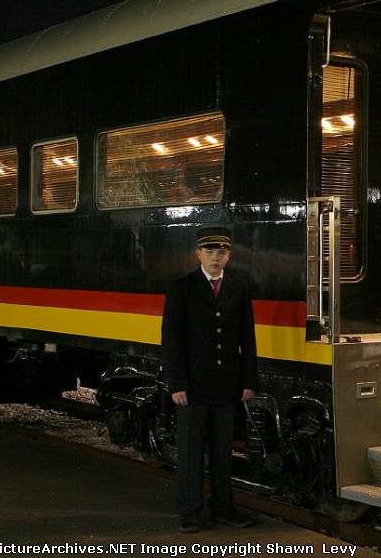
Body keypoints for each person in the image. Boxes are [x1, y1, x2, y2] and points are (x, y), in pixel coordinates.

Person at [161, 226, 258, 532]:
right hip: (192, 386)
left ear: (228, 256)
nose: (216, 258)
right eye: (210, 252)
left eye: (222, 252)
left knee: (222, 451)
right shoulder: (182, 288)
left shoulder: (239, 287)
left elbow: (247, 338)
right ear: (198, 254)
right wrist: (176, 383)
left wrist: (248, 380)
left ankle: (223, 508)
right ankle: (190, 510)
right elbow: (171, 340)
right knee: (191, 452)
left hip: (227, 383)